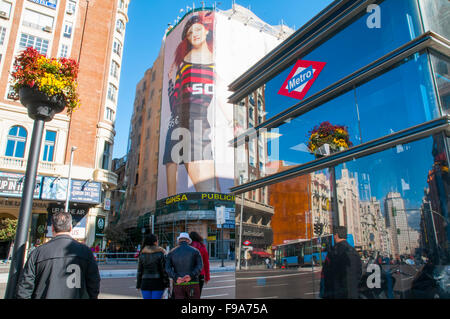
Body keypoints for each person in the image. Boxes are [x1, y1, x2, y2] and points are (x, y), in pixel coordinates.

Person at [163, 11, 225, 196]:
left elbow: (221, 94)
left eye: (197, 29)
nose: (194, 34)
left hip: (199, 124)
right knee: (171, 164)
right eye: (189, 33)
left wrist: (233, 122)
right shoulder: (184, 64)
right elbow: (175, 101)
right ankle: (170, 208)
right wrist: (170, 82)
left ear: (206, 30)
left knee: (213, 193)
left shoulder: (215, 63)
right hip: (181, 121)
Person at [16, 211, 100, 299]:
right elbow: (94, 283)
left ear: (52, 228)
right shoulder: (85, 252)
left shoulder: (38, 253)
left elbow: (25, 288)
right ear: (71, 227)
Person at [321, 226, 362, 299]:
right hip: (353, 293)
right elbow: (359, 273)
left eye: (334, 235)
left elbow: (326, 274)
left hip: (338, 293)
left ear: (336, 235)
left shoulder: (333, 252)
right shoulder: (354, 251)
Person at [165, 232, 203, 299]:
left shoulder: (171, 252)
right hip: (192, 283)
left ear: (179, 240)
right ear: (188, 240)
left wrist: (176, 277)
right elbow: (200, 266)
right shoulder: (195, 251)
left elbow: (167, 268)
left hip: (178, 283)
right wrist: (191, 275)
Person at [136, 234, 169, 299]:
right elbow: (164, 271)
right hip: (158, 283)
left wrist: (138, 285)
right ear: (154, 242)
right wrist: (167, 283)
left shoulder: (142, 254)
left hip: (145, 282)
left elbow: (139, 271)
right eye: (157, 240)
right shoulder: (160, 253)